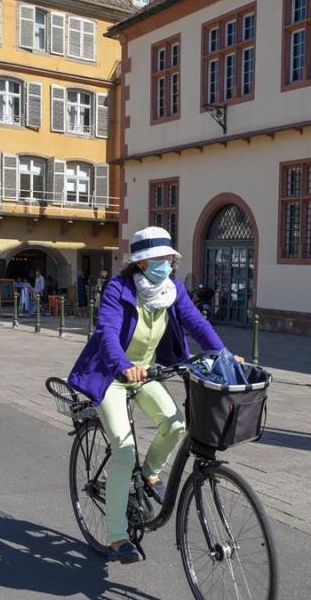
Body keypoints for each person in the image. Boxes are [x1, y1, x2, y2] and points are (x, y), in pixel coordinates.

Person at [68, 227, 232, 565]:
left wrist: (224, 355)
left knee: (175, 425)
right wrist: (122, 365)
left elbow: (197, 323)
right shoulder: (119, 288)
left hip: (146, 372)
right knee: (124, 451)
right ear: (142, 263)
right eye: (161, 258)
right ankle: (117, 536)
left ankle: (149, 473)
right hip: (111, 375)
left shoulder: (172, 289)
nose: (168, 263)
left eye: (170, 258)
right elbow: (107, 332)